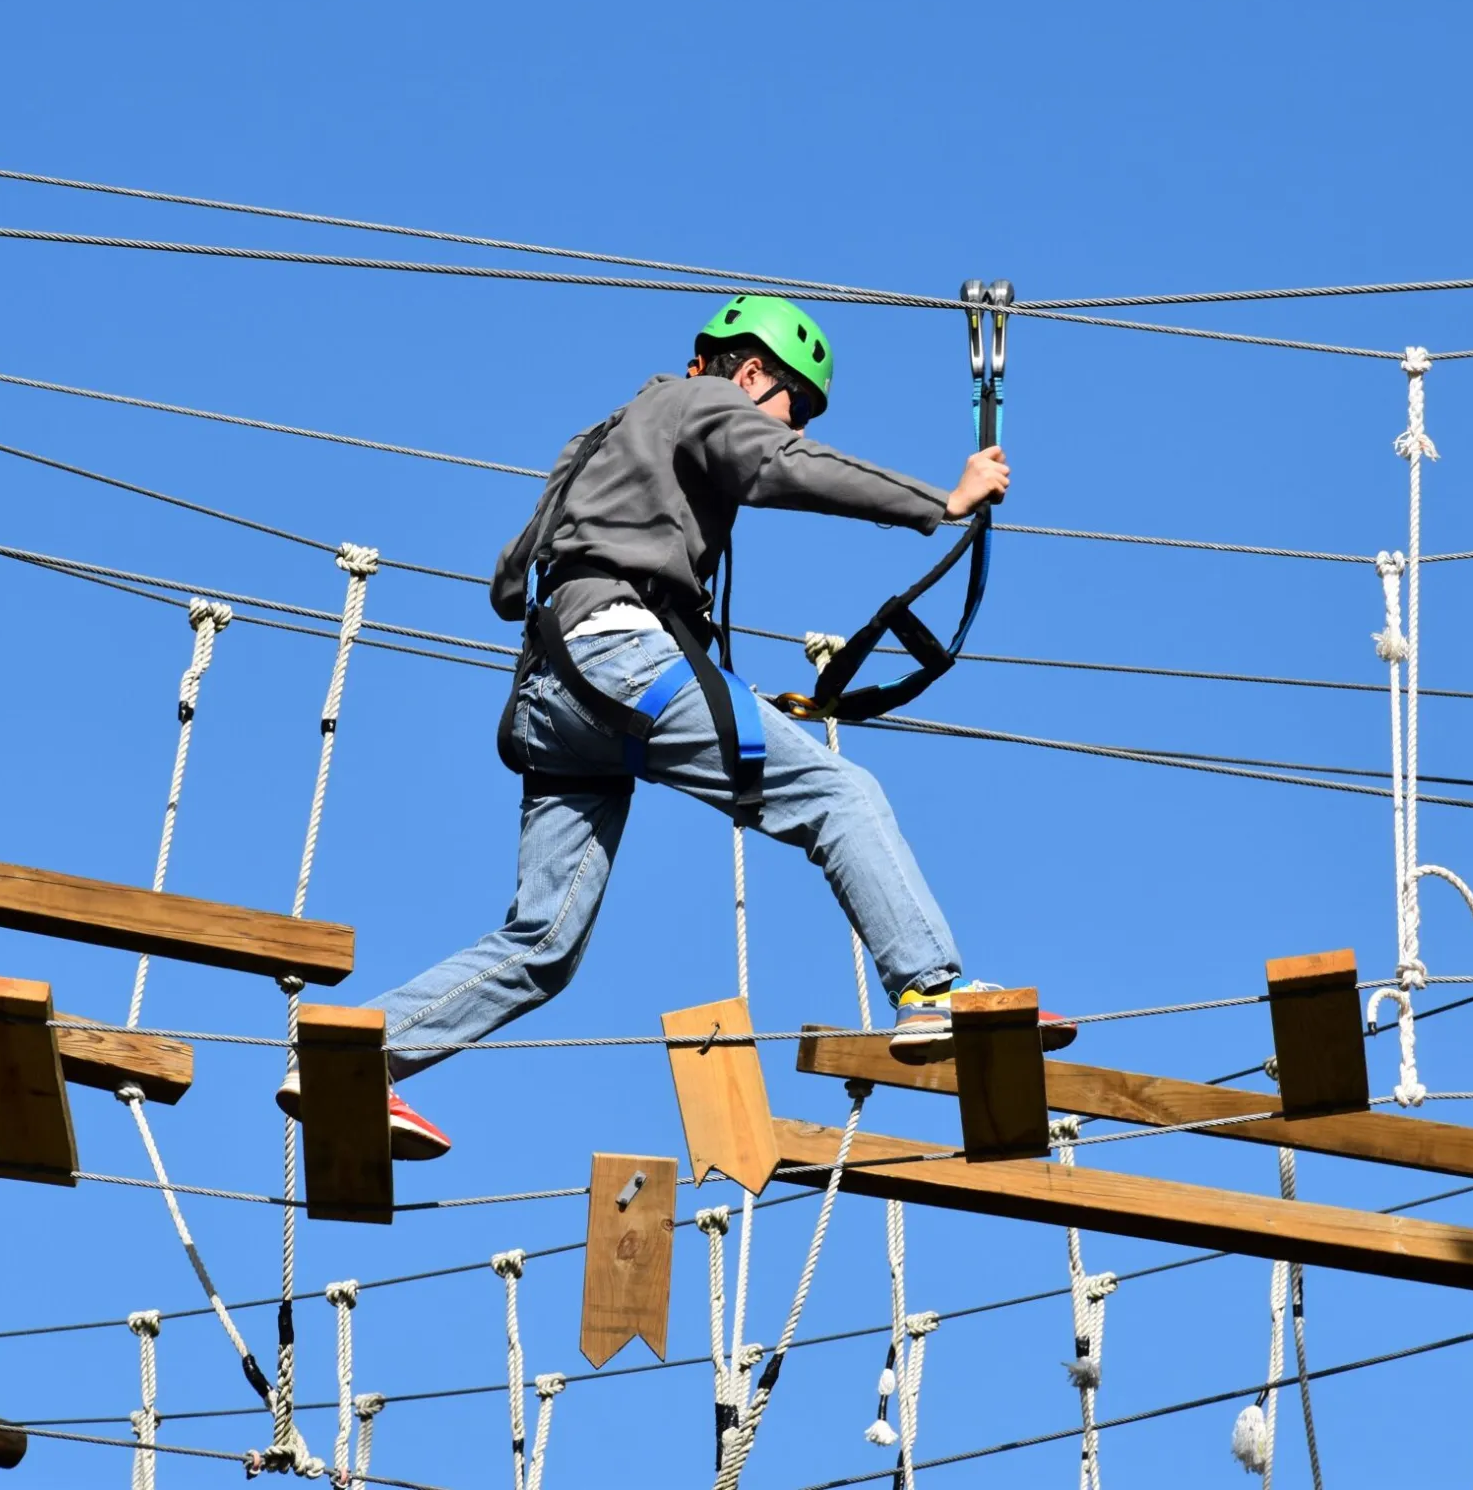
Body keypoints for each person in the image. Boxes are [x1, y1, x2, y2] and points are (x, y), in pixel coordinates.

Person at [278, 296, 1071, 1160]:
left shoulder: (602, 438)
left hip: (556, 694)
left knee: (543, 944)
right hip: (624, 662)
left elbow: (510, 580)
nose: (788, 422)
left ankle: (355, 1054)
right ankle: (930, 989)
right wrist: (941, 500)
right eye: (792, 405)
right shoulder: (703, 402)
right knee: (842, 795)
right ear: (753, 371)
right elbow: (777, 467)